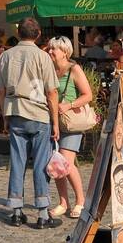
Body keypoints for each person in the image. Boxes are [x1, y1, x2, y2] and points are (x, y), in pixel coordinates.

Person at [0, 17, 61, 229]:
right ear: (38, 34)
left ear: (19, 33)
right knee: (41, 164)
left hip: (15, 112)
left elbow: (0, 91)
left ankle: (16, 210)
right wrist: (56, 122)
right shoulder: (43, 57)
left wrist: (4, 116)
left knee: (18, 161)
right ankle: (42, 213)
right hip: (39, 113)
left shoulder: (5, 56)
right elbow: (52, 92)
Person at [46, 36, 92, 219]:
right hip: (54, 121)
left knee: (66, 162)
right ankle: (63, 202)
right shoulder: (50, 70)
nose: (49, 52)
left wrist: (69, 104)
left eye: (53, 49)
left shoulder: (74, 69)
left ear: (64, 52)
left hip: (71, 122)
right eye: (49, 48)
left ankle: (80, 201)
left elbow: (88, 95)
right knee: (57, 163)